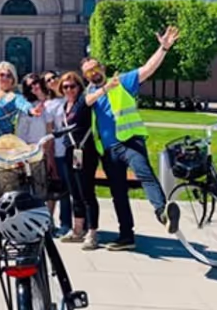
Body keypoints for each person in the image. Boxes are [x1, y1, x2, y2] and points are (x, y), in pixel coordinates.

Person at [82, 25, 182, 251]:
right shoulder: (91, 94)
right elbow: (84, 105)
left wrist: (163, 48)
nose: (92, 73)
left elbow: (147, 69)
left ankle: (163, 213)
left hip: (129, 142)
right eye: (87, 72)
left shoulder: (122, 81)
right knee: (118, 193)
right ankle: (126, 236)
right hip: (108, 150)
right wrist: (101, 90)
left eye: (94, 68)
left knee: (145, 174)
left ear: (103, 68)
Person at [57, 71, 100, 250]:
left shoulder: (83, 101)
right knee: (74, 193)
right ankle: (77, 230)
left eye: (72, 86)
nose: (69, 89)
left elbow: (95, 95)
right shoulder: (65, 104)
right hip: (70, 152)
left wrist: (106, 86)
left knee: (87, 193)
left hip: (85, 151)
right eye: (65, 86)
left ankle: (92, 232)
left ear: (79, 87)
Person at [41, 70, 72, 236]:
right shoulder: (49, 105)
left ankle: (86, 223)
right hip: (60, 151)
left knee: (80, 188)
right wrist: (50, 157)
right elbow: (49, 133)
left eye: (54, 77)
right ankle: (65, 223)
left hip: (76, 149)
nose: (52, 81)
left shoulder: (71, 94)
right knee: (64, 189)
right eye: (48, 80)